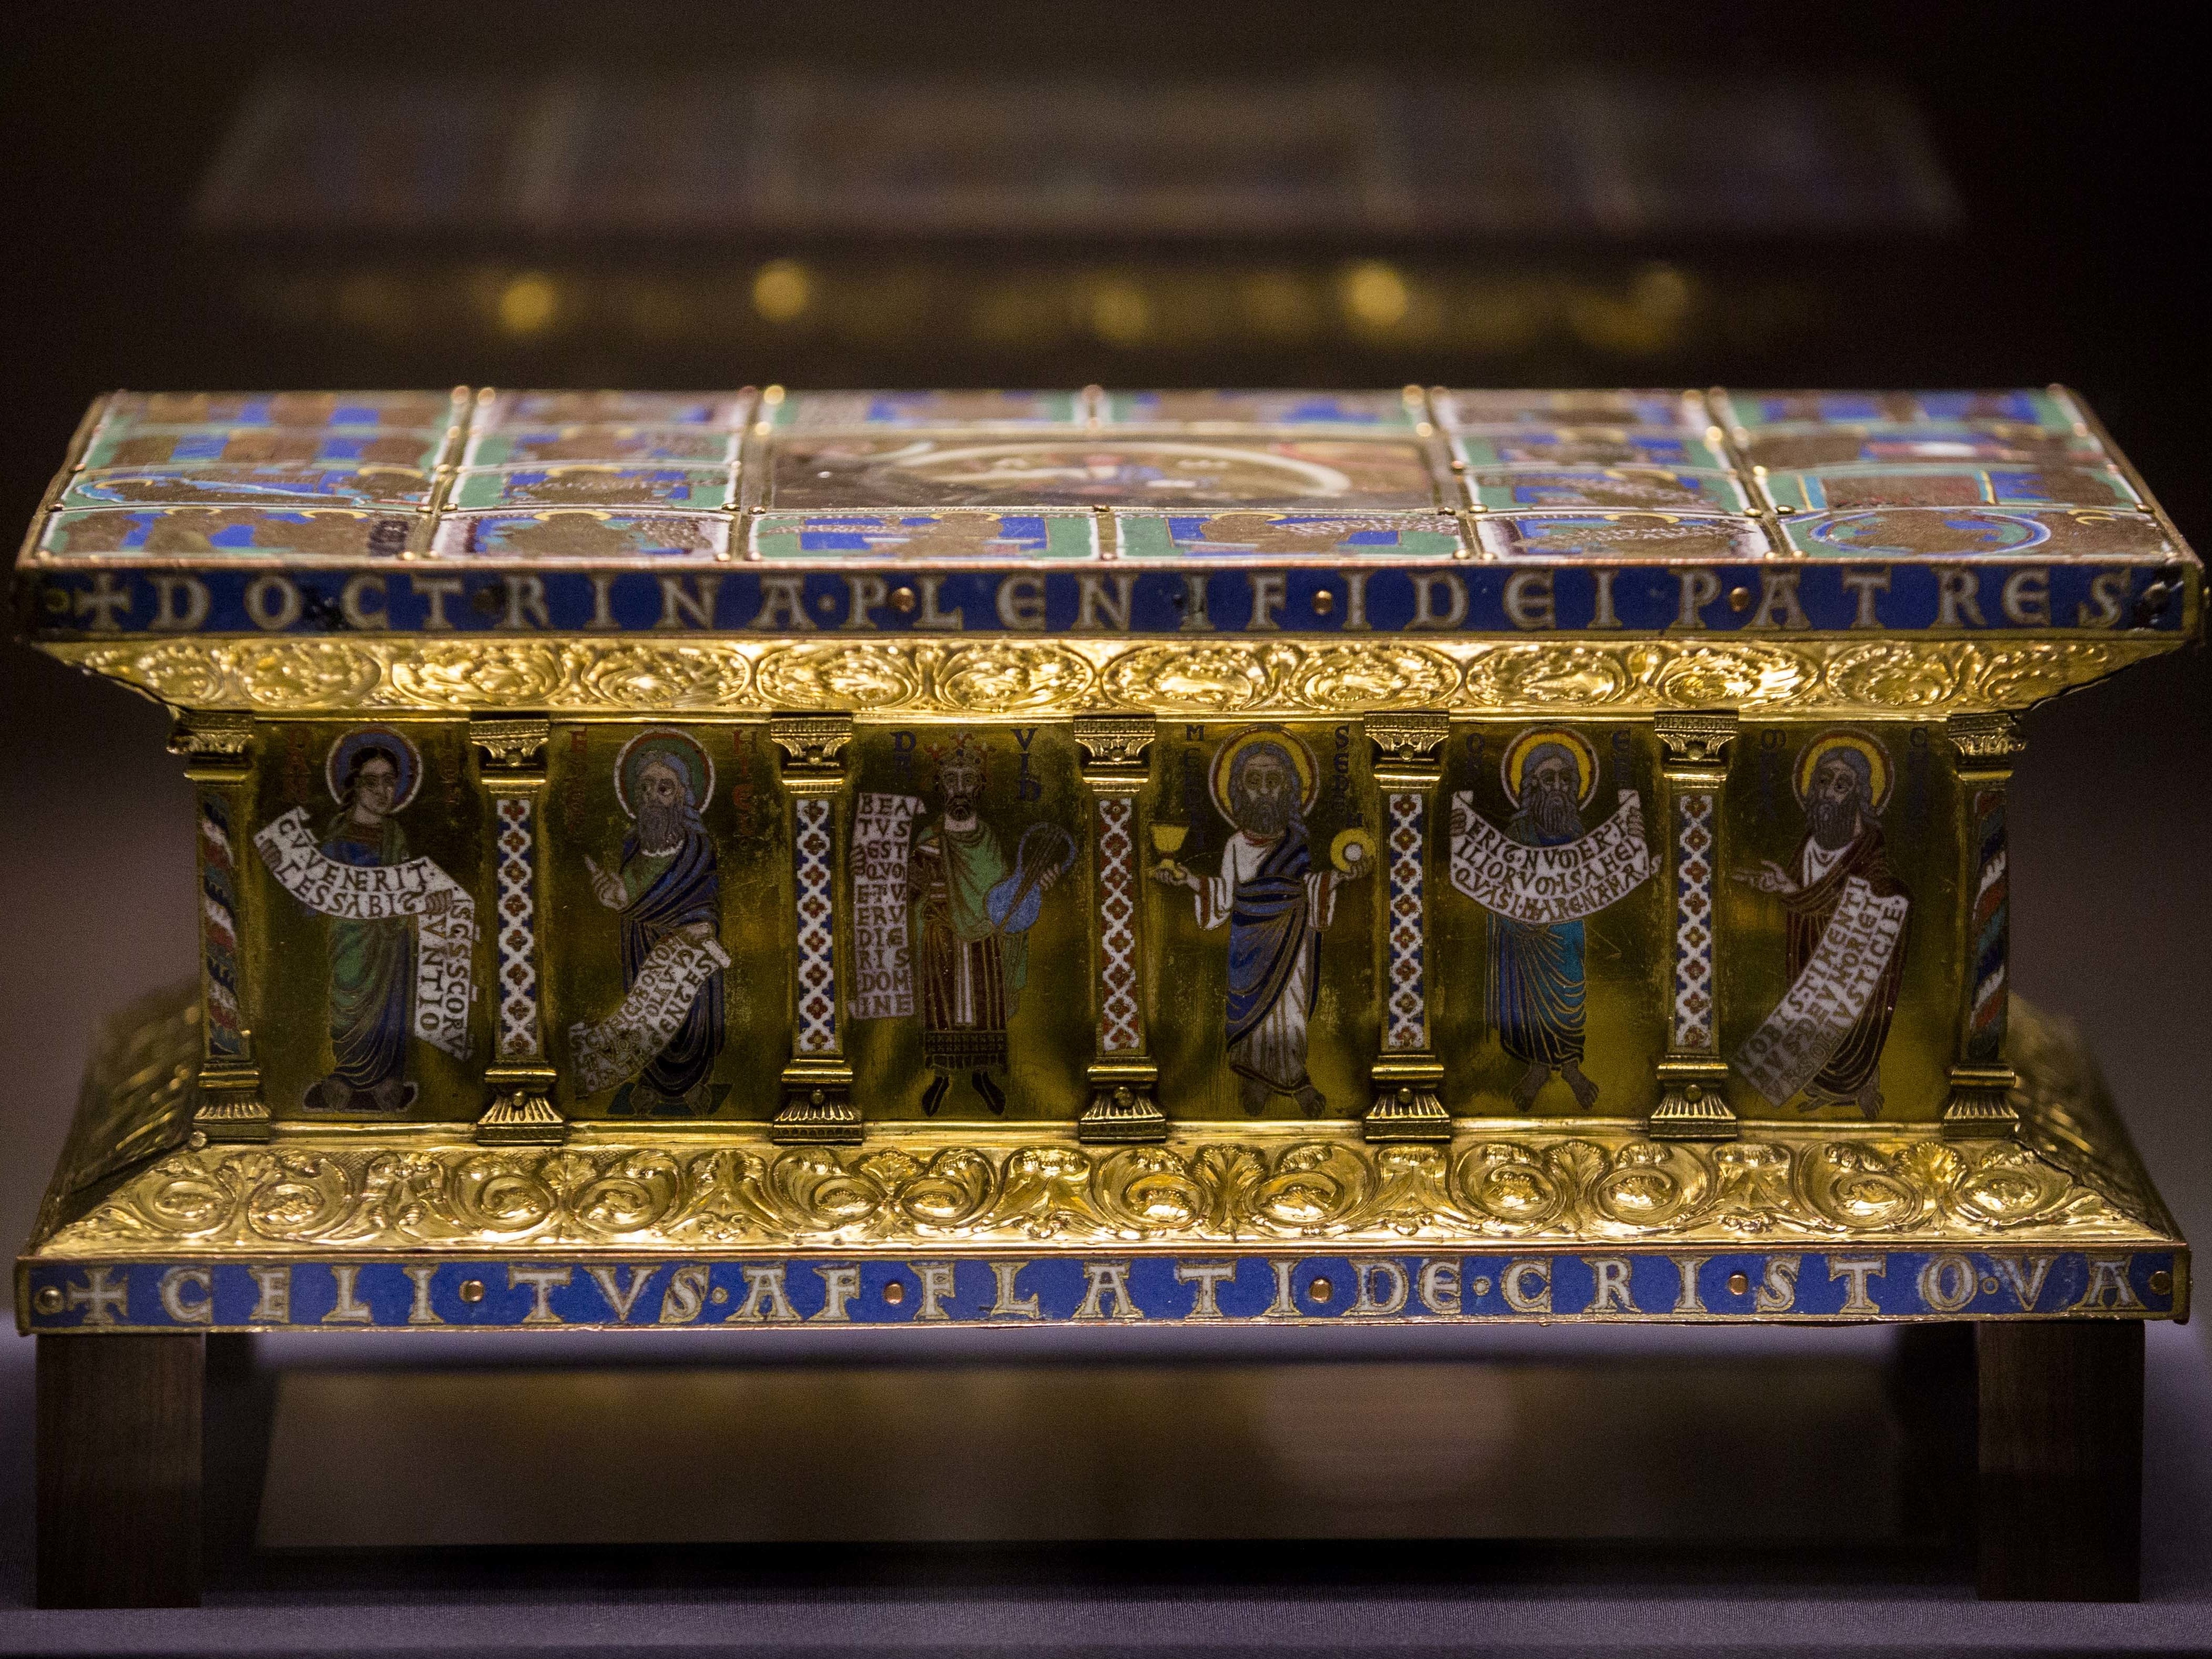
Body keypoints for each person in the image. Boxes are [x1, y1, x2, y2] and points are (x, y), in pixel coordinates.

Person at [1152, 734, 1368, 1115]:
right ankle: (1255, 1080)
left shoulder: (1296, 842)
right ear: (1237, 788)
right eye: (1254, 782)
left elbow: (1308, 888)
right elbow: (1225, 893)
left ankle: (1296, 1079)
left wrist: (1342, 877)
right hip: (1247, 941)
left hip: (1291, 938)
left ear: (1288, 787)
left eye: (1273, 781)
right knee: (1251, 1017)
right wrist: (1186, 879)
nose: (1264, 791)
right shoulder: (1236, 844)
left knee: (1290, 1012)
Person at [1734, 742, 1911, 1116]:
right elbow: (1806, 897)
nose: (1827, 792)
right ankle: (1819, 1086)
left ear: (1861, 794)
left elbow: (1883, 896)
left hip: (1849, 968)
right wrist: (1789, 892)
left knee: (1844, 1024)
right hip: (1806, 961)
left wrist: (1801, 896)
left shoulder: (1867, 853)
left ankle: (1857, 1086)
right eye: (1822, 781)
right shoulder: (1809, 845)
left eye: (1841, 785)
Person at [588, 748, 724, 1113]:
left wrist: (704, 924)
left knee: (692, 1018)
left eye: (664, 788)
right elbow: (629, 896)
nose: (653, 796)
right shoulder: (633, 844)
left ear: (682, 794)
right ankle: (648, 1082)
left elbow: (708, 897)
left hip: (690, 949)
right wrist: (616, 896)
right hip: (644, 949)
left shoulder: (698, 848)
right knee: (645, 1013)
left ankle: (696, 1083)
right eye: (645, 788)